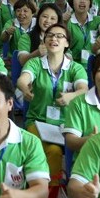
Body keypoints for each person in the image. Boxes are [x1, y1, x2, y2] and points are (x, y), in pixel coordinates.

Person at [17, 23, 88, 184]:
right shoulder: (35, 63)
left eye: (59, 36)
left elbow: (83, 89)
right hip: (37, 121)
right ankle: (50, 190)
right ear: (44, 40)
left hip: (65, 126)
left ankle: (50, 188)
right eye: (50, 35)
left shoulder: (75, 68)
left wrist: (72, 95)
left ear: (67, 43)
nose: (54, 38)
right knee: (54, 151)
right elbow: (23, 79)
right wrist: (24, 88)